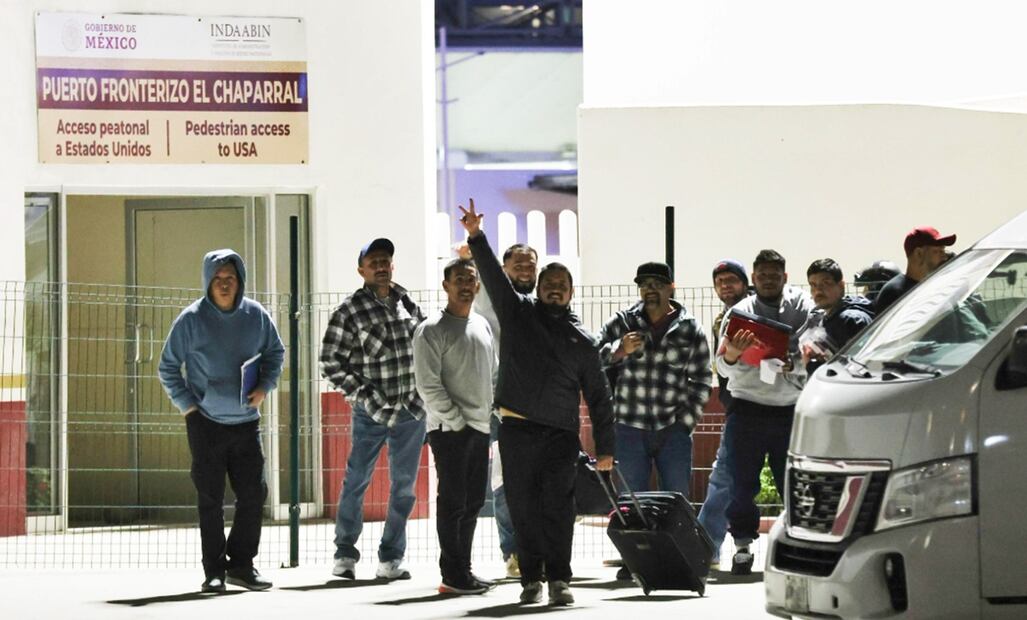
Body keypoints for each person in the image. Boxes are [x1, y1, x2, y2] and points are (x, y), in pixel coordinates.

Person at [461, 199, 614, 607]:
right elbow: (493, 276)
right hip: (516, 431)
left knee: (559, 511)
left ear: (570, 291)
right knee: (523, 507)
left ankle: (560, 580)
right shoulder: (515, 313)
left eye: (562, 284)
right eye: (549, 283)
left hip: (561, 438)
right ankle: (531, 579)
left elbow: (599, 398)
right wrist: (476, 236)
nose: (555, 288)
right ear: (540, 288)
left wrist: (606, 449)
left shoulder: (583, 341)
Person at [158, 249, 285, 593]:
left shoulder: (256, 315)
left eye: (231, 278)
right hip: (206, 424)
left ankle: (241, 565)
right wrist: (188, 408)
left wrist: (264, 386)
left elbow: (276, 353)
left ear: (240, 280)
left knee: (253, 493)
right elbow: (167, 367)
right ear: (207, 282)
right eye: (218, 278)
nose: (225, 284)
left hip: (246, 422)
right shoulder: (190, 320)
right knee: (211, 499)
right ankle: (214, 570)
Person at [320, 237, 427, 581]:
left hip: (411, 410)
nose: (381, 266)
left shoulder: (408, 303)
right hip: (372, 411)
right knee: (356, 481)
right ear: (361, 270)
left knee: (404, 486)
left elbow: (426, 349)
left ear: (392, 266)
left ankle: (391, 559)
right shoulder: (349, 311)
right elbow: (329, 361)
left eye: (386, 260)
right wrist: (362, 394)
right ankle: (345, 556)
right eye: (374, 261)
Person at [716, 249, 814, 575]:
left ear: (785, 277)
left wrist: (795, 360)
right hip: (747, 410)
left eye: (775, 275)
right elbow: (722, 366)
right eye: (762, 276)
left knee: (796, 483)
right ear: (753, 280)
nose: (769, 280)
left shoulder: (802, 306)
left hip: (790, 408)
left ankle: (800, 545)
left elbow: (816, 346)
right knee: (741, 485)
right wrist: (732, 354)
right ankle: (742, 547)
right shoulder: (739, 313)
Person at [413, 258, 497, 595]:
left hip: (480, 428)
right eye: (459, 279)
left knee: (474, 502)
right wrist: (457, 421)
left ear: (478, 286)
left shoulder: (482, 325)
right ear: (446, 285)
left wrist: (488, 415)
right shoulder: (431, 330)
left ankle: (465, 569)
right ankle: (452, 574)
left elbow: (493, 373)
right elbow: (428, 386)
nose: (466, 284)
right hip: (450, 432)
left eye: (471, 279)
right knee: (453, 502)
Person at [597, 261, 711, 496]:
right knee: (631, 504)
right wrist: (619, 349)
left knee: (675, 504)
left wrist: (684, 424)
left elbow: (702, 379)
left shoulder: (690, 328)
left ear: (671, 287)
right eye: (645, 285)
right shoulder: (622, 322)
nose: (650, 290)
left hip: (672, 430)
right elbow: (590, 359)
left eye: (657, 285)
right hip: (628, 427)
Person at [468, 242, 538, 578]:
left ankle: (540, 548)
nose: (525, 270)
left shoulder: (542, 304)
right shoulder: (488, 298)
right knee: (503, 483)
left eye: (530, 265)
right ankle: (512, 551)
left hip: (539, 407)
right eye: (518, 265)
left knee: (542, 480)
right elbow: (476, 268)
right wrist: (472, 245)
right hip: (498, 408)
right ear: (504, 268)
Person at [697, 259, 749, 568]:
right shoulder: (721, 321)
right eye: (720, 282)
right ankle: (706, 549)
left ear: (745, 282)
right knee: (724, 477)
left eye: (731, 279)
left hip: (774, 407)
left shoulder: (759, 312)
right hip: (737, 409)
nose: (725, 285)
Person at [801, 258, 875, 374]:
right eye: (813, 285)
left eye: (825, 283)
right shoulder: (827, 317)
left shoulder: (850, 319)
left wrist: (811, 366)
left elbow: (859, 372)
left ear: (841, 286)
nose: (818, 290)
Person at [874, 226, 956, 313]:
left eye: (943, 251)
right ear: (918, 253)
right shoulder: (894, 294)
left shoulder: (937, 288)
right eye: (937, 251)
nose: (944, 257)